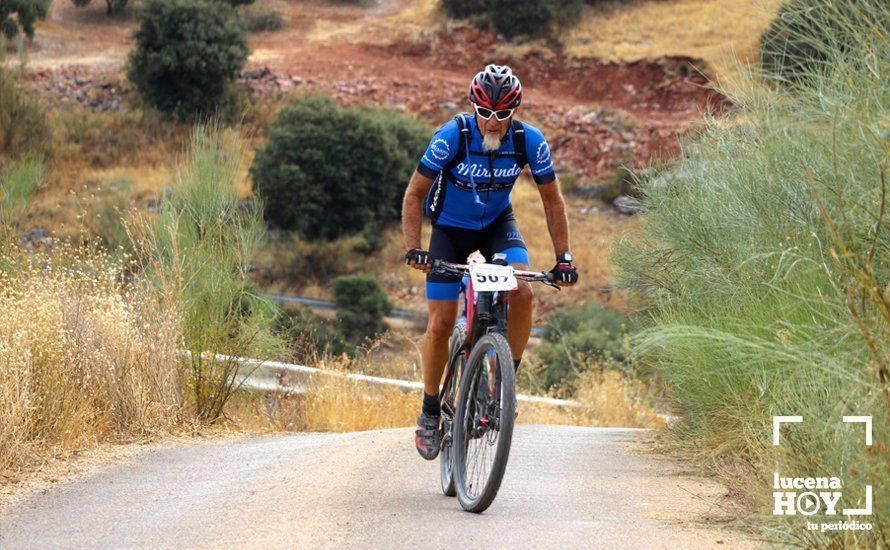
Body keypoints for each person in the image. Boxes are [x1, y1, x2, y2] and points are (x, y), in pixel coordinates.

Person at [401, 64, 578, 460]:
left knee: (524, 293)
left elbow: (553, 201)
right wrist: (415, 247)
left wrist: (563, 258)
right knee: (441, 323)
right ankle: (430, 412)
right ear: (474, 108)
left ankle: (504, 383)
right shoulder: (453, 136)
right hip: (450, 230)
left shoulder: (529, 140)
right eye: (485, 114)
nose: (493, 123)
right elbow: (414, 194)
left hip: (499, 225)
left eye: (502, 114)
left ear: (514, 111)